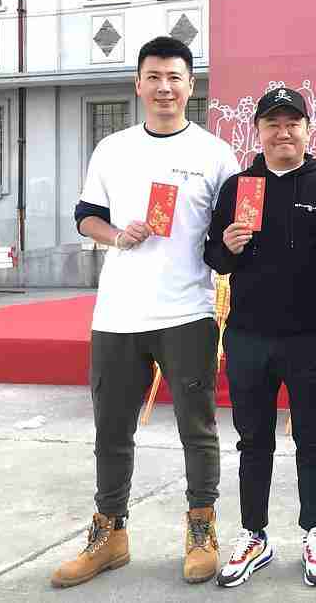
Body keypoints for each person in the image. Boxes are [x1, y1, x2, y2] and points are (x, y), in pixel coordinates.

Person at [53, 36, 239, 588]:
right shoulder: (113, 149)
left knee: (197, 429)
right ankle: (110, 533)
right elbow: (85, 216)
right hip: (118, 315)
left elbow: (226, 239)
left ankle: (201, 528)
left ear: (190, 85)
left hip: (187, 312)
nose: (164, 87)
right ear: (138, 84)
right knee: (112, 430)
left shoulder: (215, 154)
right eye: (153, 77)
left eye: (174, 77)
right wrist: (116, 235)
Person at [205, 87, 316, 588]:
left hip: (309, 336)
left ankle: (314, 531)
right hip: (249, 336)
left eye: (292, 123)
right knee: (253, 441)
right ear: (258, 131)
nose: (283, 132)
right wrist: (226, 245)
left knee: (313, 440)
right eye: (273, 123)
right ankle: (254, 534)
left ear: (308, 129)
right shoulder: (238, 187)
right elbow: (214, 257)